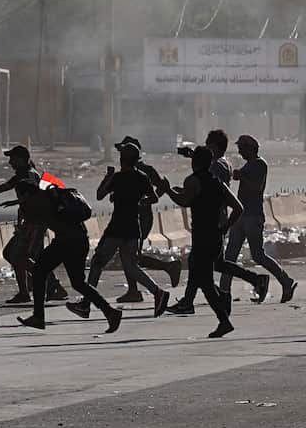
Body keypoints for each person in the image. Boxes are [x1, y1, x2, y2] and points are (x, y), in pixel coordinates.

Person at [15, 178, 122, 333]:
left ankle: (38, 316)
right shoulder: (52, 195)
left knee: (38, 271)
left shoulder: (36, 202)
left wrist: (22, 208)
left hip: (65, 241)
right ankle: (110, 312)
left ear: (24, 194)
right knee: (78, 283)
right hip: (80, 240)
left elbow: (34, 221)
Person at [78, 137, 170, 317]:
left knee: (98, 263)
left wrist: (107, 177)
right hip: (134, 227)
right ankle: (157, 292)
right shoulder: (142, 177)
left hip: (117, 227)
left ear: (121, 160)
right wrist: (140, 202)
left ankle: (87, 302)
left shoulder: (118, 178)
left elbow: (99, 195)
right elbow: (154, 198)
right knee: (131, 266)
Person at [156, 145, 239, 338]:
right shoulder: (219, 183)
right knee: (199, 273)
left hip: (202, 238)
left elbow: (184, 201)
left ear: (195, 162)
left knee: (205, 281)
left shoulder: (193, 180)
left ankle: (223, 317)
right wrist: (225, 227)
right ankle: (215, 305)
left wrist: (167, 189)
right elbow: (238, 208)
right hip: (215, 237)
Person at [0, 145, 53, 305]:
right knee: (21, 256)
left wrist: (17, 201)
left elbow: (36, 195)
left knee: (17, 256)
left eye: (13, 158)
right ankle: (29, 290)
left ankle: (47, 286)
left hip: (35, 223)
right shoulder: (23, 175)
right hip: (30, 223)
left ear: (21, 159)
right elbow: (2, 190)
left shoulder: (27, 175)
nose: (10, 162)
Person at [223, 134, 297, 303]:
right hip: (241, 215)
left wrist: (242, 176)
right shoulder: (249, 165)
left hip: (252, 216)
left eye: (243, 148)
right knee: (229, 256)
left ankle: (286, 281)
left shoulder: (260, 164)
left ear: (251, 148)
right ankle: (223, 291)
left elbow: (256, 186)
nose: (240, 151)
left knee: (258, 255)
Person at [170, 129, 237, 315]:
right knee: (202, 270)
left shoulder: (208, 174)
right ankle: (192, 303)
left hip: (208, 229)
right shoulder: (217, 173)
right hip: (214, 229)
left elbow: (187, 200)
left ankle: (222, 305)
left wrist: (168, 190)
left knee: (207, 272)